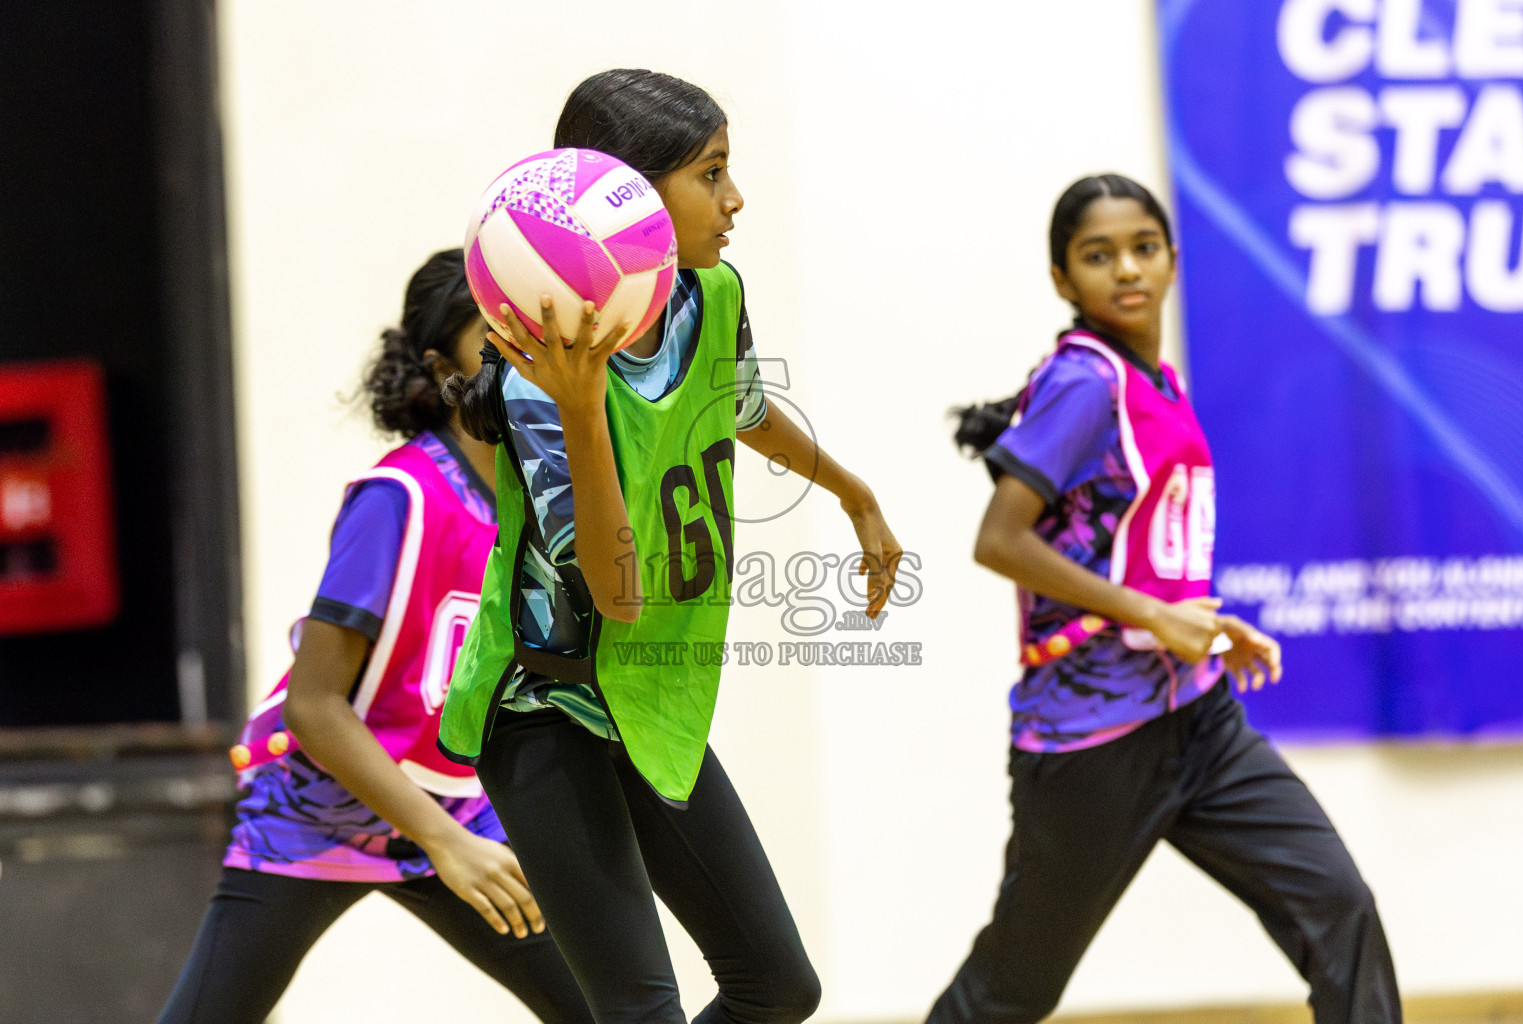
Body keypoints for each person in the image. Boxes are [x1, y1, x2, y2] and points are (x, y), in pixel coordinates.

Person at [438, 69, 902, 1024]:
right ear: (627, 201)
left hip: (647, 697)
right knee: (640, 1009)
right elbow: (616, 594)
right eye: (712, 174)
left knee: (776, 986)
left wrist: (853, 494)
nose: (734, 200)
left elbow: (738, 409)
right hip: (545, 710)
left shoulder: (708, 293)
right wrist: (580, 413)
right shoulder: (542, 379)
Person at [928, 174, 1401, 1024]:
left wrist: (1205, 625)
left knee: (1340, 909)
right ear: (1062, 280)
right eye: (1097, 255)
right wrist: (1151, 616)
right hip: (1092, 745)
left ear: (1172, 261)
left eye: (1142, 248)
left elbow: (1136, 554)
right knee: (1010, 991)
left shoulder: (1157, 381)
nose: (1126, 269)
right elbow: (999, 542)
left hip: (1201, 721)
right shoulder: (1083, 384)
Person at [158, 251, 592, 1024]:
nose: (524, 346)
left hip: (452, 806)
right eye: (495, 333)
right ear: (441, 364)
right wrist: (442, 843)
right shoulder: (399, 496)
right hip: (321, 806)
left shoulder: (537, 493)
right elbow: (314, 708)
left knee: (610, 1008)